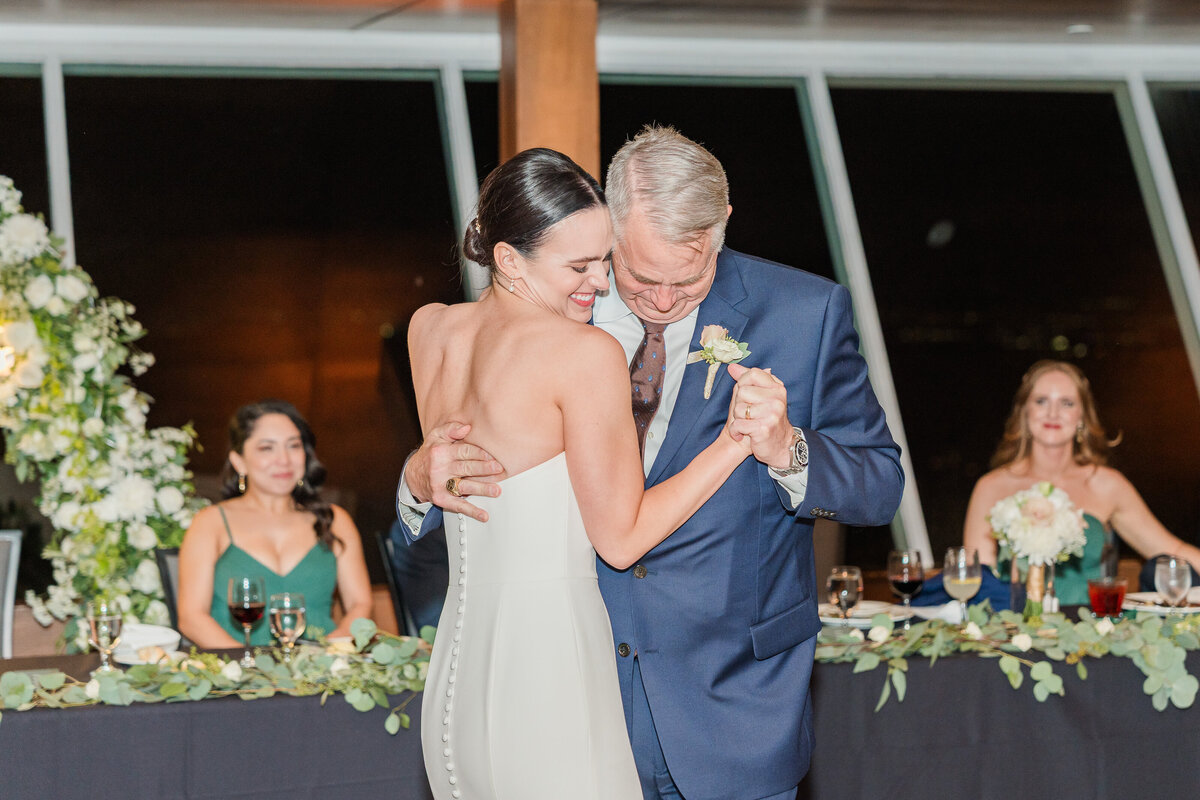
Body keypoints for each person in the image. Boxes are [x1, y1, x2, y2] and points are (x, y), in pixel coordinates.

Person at [400, 126, 903, 800]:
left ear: (721, 227)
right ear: (609, 228)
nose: (661, 300)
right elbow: (488, 493)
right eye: (637, 275)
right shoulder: (566, 307)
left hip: (731, 712)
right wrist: (416, 479)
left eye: (688, 276)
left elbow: (880, 486)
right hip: (574, 689)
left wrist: (787, 448)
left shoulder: (805, 313)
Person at [407, 146, 752, 799]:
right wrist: (734, 442)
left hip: (458, 669)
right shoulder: (585, 355)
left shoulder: (431, 331)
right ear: (508, 259)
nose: (600, 281)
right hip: (551, 675)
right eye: (578, 265)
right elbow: (622, 539)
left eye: (604, 257)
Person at [963, 360, 1200, 605]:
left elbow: (1174, 550)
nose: (1053, 413)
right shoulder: (991, 487)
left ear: (1081, 416)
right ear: (1025, 411)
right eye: (1041, 401)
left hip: (1093, 632)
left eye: (1066, 403)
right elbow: (976, 582)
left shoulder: (1106, 484)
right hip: (1013, 631)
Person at [178, 400, 373, 647]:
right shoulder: (210, 523)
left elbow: (360, 604)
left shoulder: (335, 521)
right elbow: (191, 618)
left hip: (321, 673)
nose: (284, 460)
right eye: (266, 448)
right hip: (236, 674)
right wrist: (252, 670)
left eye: (293, 446)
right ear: (239, 461)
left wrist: (329, 656)